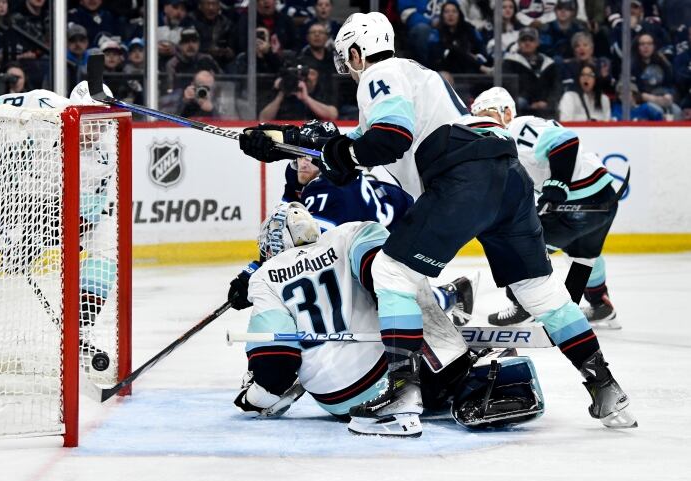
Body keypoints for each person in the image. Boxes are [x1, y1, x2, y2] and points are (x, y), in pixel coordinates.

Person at [238, 12, 636, 431]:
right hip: (506, 175)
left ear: (357, 52)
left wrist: (340, 152)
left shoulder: (382, 72)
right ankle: (607, 389)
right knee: (540, 289)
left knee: (391, 274)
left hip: (461, 175)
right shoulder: (416, 76)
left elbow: (388, 139)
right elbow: (351, 148)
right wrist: (279, 141)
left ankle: (402, 397)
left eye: (348, 61)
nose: (351, 72)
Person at [234, 202, 543, 435]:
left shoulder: (263, 278)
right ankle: (456, 368)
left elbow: (277, 363)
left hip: (341, 404)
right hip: (398, 378)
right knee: (400, 277)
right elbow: (385, 281)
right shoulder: (350, 234)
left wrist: (254, 397)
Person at [0, 81, 119, 374]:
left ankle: (79, 329)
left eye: (101, 123)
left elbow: (86, 214)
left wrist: (36, 241)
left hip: (63, 210)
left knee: (108, 245)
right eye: (89, 121)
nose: (96, 131)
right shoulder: (42, 104)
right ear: (72, 110)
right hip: (12, 193)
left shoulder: (108, 150)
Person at [230, 120, 475, 326]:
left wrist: (254, 275)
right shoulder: (307, 174)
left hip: (402, 233)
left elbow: (299, 246)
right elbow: (284, 228)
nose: (304, 163)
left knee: (383, 299)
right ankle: (449, 294)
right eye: (299, 156)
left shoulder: (329, 187)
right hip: (384, 227)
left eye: (311, 158)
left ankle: (445, 298)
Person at [472, 87, 621, 329]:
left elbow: (566, 141)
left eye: (488, 114)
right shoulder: (501, 144)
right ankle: (600, 304)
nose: (483, 122)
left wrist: (556, 188)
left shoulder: (517, 128)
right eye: (478, 117)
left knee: (517, 247)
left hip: (577, 203)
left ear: (507, 113)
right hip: (603, 200)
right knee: (582, 255)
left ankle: (524, 307)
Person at [503, 27, 560, 118]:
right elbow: (507, 88)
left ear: (537, 43)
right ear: (518, 43)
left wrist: (547, 102)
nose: (527, 43)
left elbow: (556, 87)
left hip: (546, 108)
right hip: (520, 109)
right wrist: (529, 103)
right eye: (524, 40)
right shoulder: (510, 62)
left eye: (531, 40)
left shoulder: (549, 64)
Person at [258, 61, 338, 121]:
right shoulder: (281, 90)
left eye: (312, 74)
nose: (308, 77)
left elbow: (332, 115)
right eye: (305, 74)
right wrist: (282, 92)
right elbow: (263, 118)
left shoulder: (321, 90)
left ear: (318, 77)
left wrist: (306, 99)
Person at [427, 1, 491, 74]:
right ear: (442, 15)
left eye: (454, 11)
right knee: (453, 51)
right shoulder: (436, 32)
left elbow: (482, 51)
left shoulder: (469, 29)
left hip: (469, 69)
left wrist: (476, 58)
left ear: (459, 14)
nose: (450, 15)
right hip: (446, 69)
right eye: (447, 12)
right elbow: (434, 55)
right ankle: (482, 68)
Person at [190, 0, 235, 69]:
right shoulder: (191, 21)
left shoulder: (226, 24)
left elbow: (232, 48)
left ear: (219, 6)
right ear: (200, 6)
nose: (211, 8)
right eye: (207, 4)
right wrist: (208, 50)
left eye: (214, 4)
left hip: (222, 63)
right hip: (197, 62)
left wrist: (229, 52)